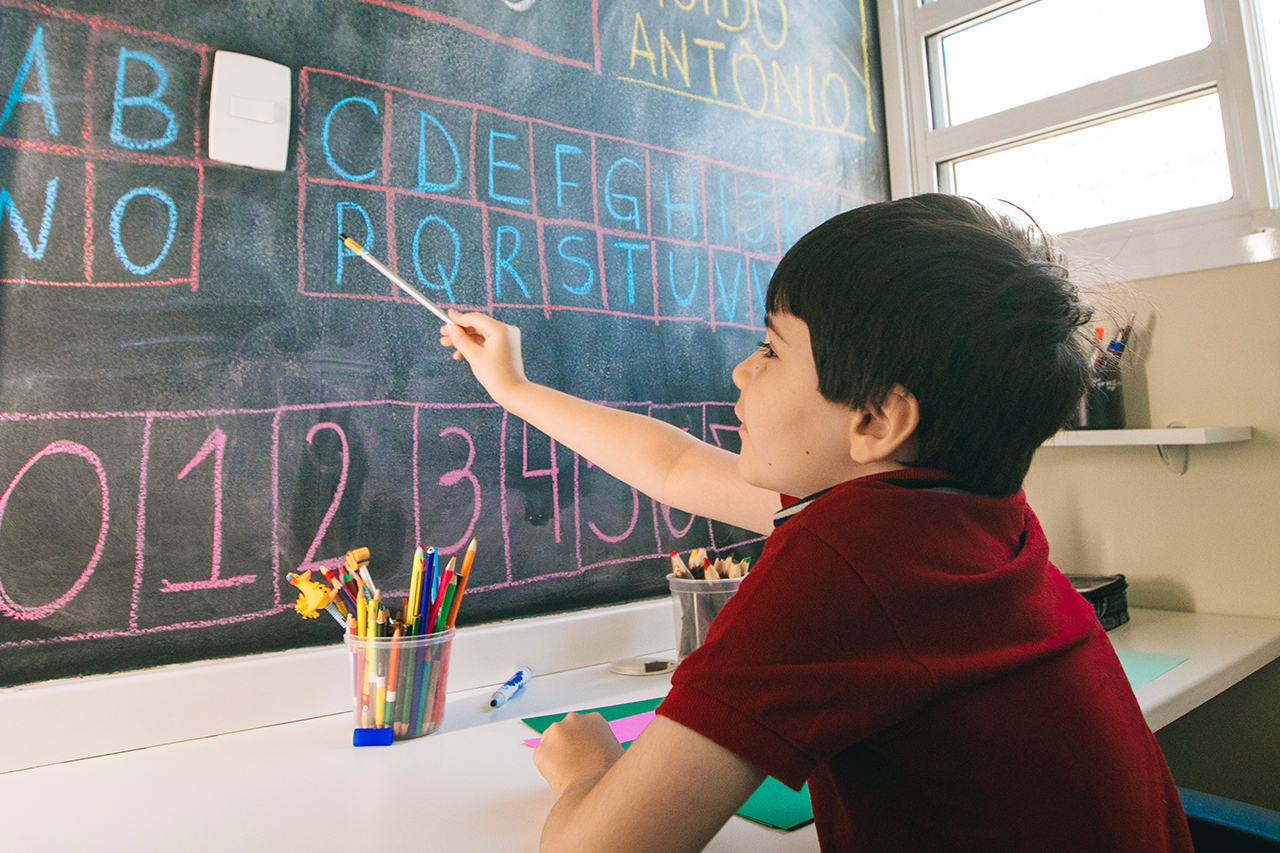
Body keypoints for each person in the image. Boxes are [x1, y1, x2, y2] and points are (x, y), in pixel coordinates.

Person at [438, 194, 1192, 853]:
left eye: (771, 347)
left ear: (876, 419)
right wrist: (515, 389)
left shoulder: (847, 562)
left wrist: (587, 770)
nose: (741, 370)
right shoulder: (952, 513)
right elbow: (673, 467)